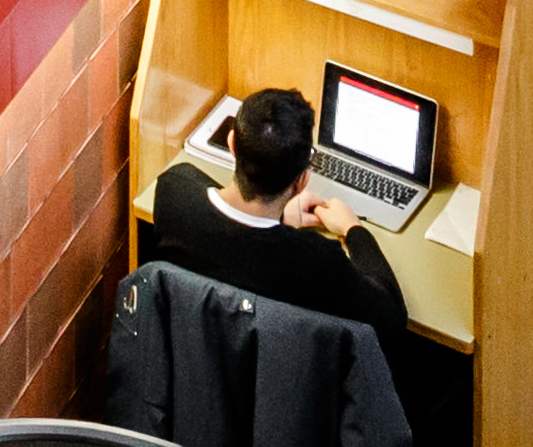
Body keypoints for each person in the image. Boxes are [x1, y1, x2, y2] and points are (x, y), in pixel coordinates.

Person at [144, 86, 411, 332]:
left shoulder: (173, 193)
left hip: (190, 364)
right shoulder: (316, 261)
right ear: (301, 182)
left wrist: (282, 216)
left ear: (232, 143)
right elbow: (391, 318)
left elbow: (223, 216)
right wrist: (354, 230)